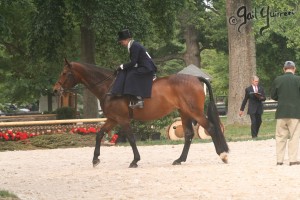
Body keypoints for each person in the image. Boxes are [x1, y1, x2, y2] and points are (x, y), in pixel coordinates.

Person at [111, 29, 157, 109]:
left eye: (121, 42)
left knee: (131, 75)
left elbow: (133, 62)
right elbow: (135, 63)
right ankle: (118, 91)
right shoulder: (133, 45)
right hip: (143, 65)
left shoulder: (134, 46)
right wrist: (123, 67)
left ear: (126, 40)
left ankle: (138, 101)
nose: (121, 44)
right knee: (128, 71)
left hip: (147, 68)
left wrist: (121, 66)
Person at [271, 61, 300, 166]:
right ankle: (292, 160)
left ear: (284, 69)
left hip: (281, 112)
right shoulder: (298, 79)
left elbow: (273, 96)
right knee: (294, 136)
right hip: (295, 113)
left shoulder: (278, 80)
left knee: (280, 137)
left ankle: (279, 160)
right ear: (294, 69)